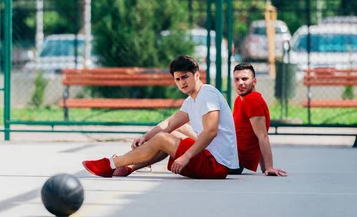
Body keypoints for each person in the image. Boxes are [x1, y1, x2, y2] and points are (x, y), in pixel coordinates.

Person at [82, 55, 240, 179]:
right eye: (177, 79)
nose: (181, 83)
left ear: (197, 75)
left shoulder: (207, 94)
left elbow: (211, 131)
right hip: (210, 159)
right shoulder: (191, 100)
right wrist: (145, 137)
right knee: (171, 132)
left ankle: (110, 164)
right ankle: (131, 166)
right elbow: (171, 123)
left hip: (216, 165)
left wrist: (185, 157)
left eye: (185, 77)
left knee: (162, 139)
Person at [231, 63, 287, 177]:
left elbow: (262, 136)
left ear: (254, 81)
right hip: (229, 155)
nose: (240, 83)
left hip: (233, 161)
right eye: (237, 79)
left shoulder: (252, 100)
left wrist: (269, 167)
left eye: (245, 79)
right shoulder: (239, 100)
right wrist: (264, 168)